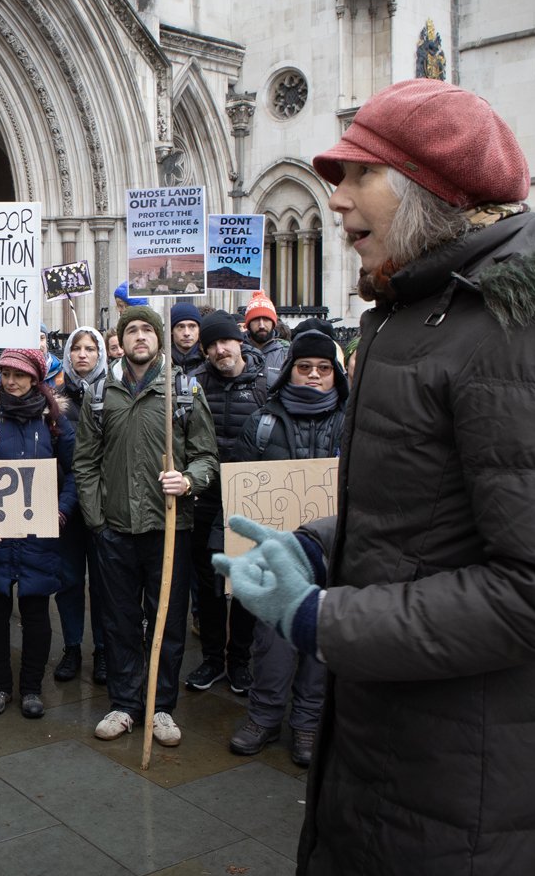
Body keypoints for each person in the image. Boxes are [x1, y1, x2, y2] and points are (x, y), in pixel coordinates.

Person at [214, 78, 535, 874]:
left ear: (432, 187)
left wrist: (322, 620)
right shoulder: (428, 310)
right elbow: (434, 510)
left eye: (360, 175)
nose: (334, 200)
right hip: (410, 748)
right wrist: (324, 549)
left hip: (473, 788)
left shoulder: (523, 331)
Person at [72, 305, 218, 745]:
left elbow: (207, 456)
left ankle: (161, 707)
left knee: (166, 623)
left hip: (169, 529)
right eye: (131, 330)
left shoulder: (184, 391)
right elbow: (85, 461)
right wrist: (98, 521)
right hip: (115, 530)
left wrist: (190, 480)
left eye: (146, 330)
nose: (139, 337)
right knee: (118, 620)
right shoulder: (101, 393)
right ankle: (124, 703)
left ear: (159, 338)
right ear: (122, 338)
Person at [226, 321, 346, 769]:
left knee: (320, 642)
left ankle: (308, 724)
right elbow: (240, 488)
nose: (313, 375)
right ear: (288, 371)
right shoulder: (261, 423)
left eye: (323, 368)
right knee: (271, 642)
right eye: (304, 367)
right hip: (276, 557)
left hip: (331, 557)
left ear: (336, 374)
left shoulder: (352, 425)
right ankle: (263, 717)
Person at [0, 349, 76, 719]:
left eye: (19, 374)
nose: (10, 381)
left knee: (35, 612)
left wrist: (62, 510)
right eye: (5, 373)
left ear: (35, 378)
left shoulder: (54, 421)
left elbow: (74, 469)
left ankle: (31, 688)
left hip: (37, 533)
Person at [187, 311, 269, 697]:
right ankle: (212, 659)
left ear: (240, 342)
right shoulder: (194, 386)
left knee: (247, 582)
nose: (221, 350)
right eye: (213, 344)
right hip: (206, 498)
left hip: (248, 499)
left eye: (226, 341)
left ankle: (239, 661)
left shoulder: (265, 384)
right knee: (209, 583)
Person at [53, 326, 108, 685]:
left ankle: (103, 649)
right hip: (67, 505)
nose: (83, 354)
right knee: (69, 579)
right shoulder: (54, 399)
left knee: (104, 583)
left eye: (90, 348)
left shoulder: (115, 392)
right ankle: (72, 646)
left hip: (105, 505)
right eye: (77, 348)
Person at [241, 291, 289, 384]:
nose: (261, 325)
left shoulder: (286, 354)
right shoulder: (238, 352)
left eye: (266, 319)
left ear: (273, 323)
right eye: (256, 320)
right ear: (248, 324)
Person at [170, 303, 204, 376]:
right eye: (181, 327)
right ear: (171, 330)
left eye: (192, 326)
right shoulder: (161, 363)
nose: (186, 333)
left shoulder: (209, 361)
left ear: (199, 329)